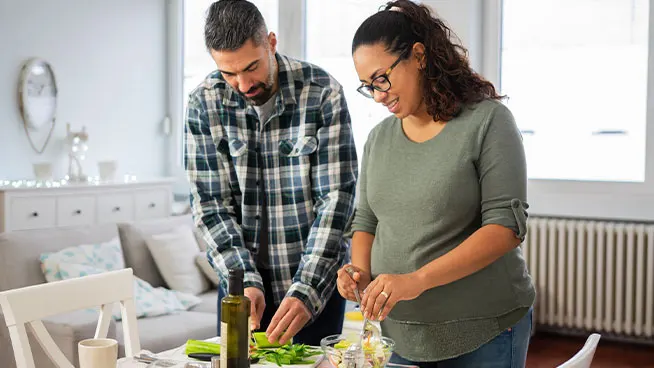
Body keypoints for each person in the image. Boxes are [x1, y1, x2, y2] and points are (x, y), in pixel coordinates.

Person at [336, 1, 535, 367]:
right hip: (398, 336)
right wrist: (359, 271)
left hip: (482, 331)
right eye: (368, 86)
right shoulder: (378, 139)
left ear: (418, 55)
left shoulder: (488, 122)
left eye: (382, 78)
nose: (378, 95)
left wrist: (417, 280)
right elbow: (366, 220)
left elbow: (505, 229)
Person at [185, 0, 358, 346]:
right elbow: (211, 207)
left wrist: (305, 290)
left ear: (271, 43)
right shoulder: (203, 103)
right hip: (241, 291)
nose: (243, 83)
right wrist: (244, 279)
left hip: (316, 289)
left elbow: (336, 202)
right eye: (228, 73)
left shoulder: (323, 93)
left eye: (252, 67)